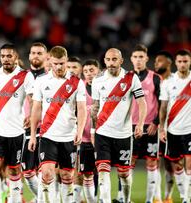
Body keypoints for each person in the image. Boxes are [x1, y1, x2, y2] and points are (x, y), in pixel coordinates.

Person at [28, 46, 87, 203]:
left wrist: (79, 132)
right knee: (46, 174)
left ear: (66, 61)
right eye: (56, 63)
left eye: (62, 63)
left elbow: (82, 109)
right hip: (47, 135)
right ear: (50, 62)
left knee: (67, 176)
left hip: (69, 136)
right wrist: (33, 135)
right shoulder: (41, 81)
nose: (59, 67)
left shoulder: (76, 83)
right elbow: (36, 109)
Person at [91, 48, 147, 203]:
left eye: (114, 59)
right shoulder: (97, 80)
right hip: (103, 133)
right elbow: (95, 106)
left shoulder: (131, 78)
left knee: (123, 173)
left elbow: (142, 102)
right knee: (102, 171)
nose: (111, 63)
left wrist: (140, 124)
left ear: (121, 61)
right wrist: (92, 125)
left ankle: (126, 199)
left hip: (123, 134)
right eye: (108, 60)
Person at [0, 43, 31, 203]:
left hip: (17, 132)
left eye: (9, 56)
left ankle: (15, 200)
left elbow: (32, 99)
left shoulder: (25, 76)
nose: (6, 59)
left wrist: (31, 115)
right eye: (3, 56)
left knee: (14, 169)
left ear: (16, 57)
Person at [128, 44, 162, 203]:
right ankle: (125, 198)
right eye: (135, 57)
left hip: (150, 127)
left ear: (147, 58)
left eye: (141, 57)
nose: (138, 60)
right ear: (131, 59)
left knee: (151, 161)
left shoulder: (155, 77)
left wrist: (156, 122)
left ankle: (149, 200)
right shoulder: (126, 78)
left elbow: (163, 103)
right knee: (129, 162)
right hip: (130, 127)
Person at [159, 49, 191, 203]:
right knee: (177, 167)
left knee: (189, 165)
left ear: (189, 62)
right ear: (176, 63)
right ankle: (184, 196)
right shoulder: (168, 82)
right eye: (180, 61)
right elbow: (163, 108)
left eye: (185, 61)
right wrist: (161, 129)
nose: (182, 64)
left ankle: (186, 198)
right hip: (172, 130)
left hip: (190, 130)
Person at [21, 42, 48, 202]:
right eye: (33, 53)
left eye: (39, 53)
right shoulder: (22, 77)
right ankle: (42, 199)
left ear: (46, 56)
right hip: (25, 130)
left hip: (47, 130)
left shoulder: (51, 77)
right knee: (28, 172)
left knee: (47, 171)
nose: (36, 56)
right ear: (29, 56)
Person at [72, 59, 101, 203]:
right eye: (86, 71)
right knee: (82, 171)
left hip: (102, 138)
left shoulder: (104, 87)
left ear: (98, 71)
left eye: (92, 71)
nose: (89, 74)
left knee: (101, 171)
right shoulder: (79, 87)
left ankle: (98, 198)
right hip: (83, 138)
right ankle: (78, 200)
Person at [154, 50, 175, 203]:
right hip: (155, 127)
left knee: (170, 162)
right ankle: (157, 197)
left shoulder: (176, 81)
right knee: (153, 161)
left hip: (173, 128)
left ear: (169, 63)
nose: (156, 64)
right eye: (155, 61)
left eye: (159, 61)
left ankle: (168, 196)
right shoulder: (152, 80)